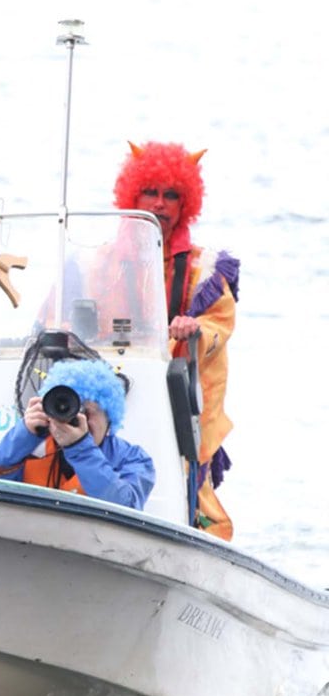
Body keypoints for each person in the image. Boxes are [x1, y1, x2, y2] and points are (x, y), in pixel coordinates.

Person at [113, 140, 239, 539]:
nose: (160, 204)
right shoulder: (101, 260)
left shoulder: (206, 269)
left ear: (186, 204)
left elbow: (221, 326)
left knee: (195, 495)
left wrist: (195, 329)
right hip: (116, 389)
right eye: (150, 192)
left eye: (171, 195)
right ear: (132, 195)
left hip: (177, 398)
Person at [0, 358, 155, 511]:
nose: (78, 417)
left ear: (110, 419)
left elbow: (127, 508)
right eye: (69, 408)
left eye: (88, 411)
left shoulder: (133, 458)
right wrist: (22, 435)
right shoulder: (30, 447)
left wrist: (80, 448)